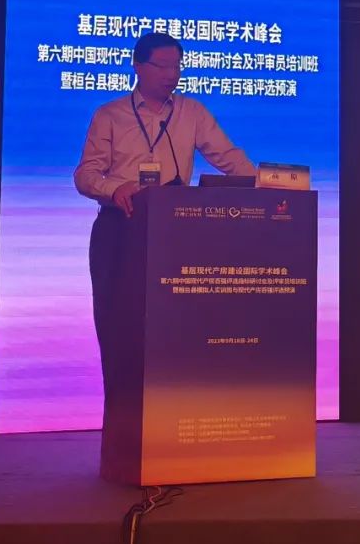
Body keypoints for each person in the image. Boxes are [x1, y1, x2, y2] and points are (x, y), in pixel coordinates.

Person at [74, 32, 256, 404]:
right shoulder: (110, 115)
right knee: (118, 327)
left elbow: (228, 157)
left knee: (174, 327)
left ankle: (172, 411)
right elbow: (86, 175)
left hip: (175, 233)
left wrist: (265, 183)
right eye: (163, 66)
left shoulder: (192, 112)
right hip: (121, 229)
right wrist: (116, 189)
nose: (172, 75)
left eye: (177, 66)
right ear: (138, 66)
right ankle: (123, 412)